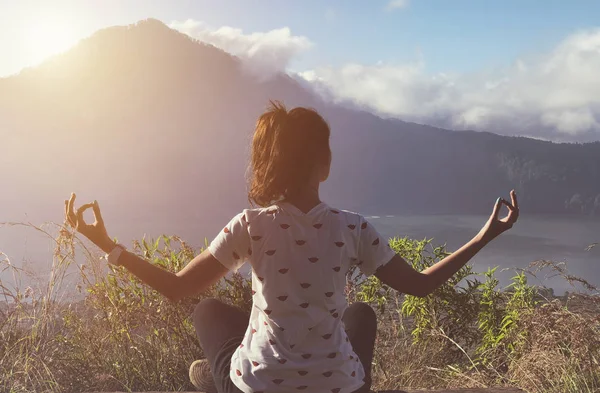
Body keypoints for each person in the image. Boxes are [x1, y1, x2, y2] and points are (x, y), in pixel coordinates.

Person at [64, 101, 519, 393]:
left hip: (263, 386)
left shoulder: (249, 226)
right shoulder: (353, 228)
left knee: (207, 311)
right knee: (360, 314)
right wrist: (485, 234)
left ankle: (215, 376)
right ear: (324, 165)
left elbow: (177, 288)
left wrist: (109, 245)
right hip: (339, 384)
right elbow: (420, 285)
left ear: (270, 166)